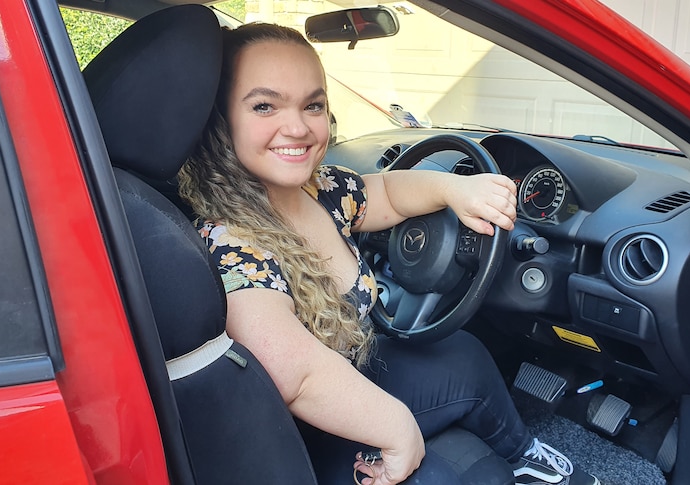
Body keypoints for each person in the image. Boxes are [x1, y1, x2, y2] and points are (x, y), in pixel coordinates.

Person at [177, 22, 600, 485]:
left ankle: (525, 457)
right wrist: (397, 429)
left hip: (355, 370)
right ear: (221, 119)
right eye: (264, 106)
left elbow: (388, 194)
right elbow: (295, 374)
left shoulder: (322, 190)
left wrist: (454, 188)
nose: (297, 127)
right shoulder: (229, 239)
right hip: (306, 432)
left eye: (313, 105)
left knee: (463, 354)